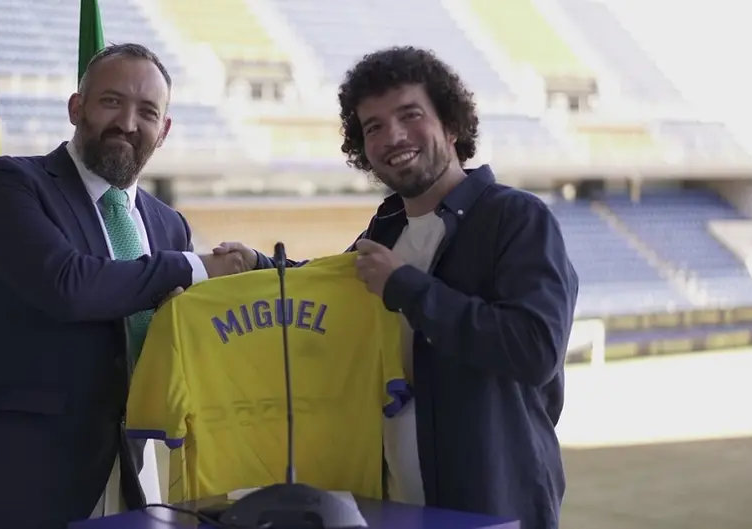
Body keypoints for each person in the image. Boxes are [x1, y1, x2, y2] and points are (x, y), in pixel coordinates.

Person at [215, 46, 578, 529]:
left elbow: (536, 349)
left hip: (493, 505)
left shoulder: (516, 217)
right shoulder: (386, 227)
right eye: (374, 127)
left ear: (451, 125)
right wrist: (261, 265)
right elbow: (336, 287)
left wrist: (408, 288)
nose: (394, 136)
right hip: (396, 505)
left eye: (410, 115)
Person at [0, 43, 250, 529]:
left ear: (163, 132)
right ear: (76, 108)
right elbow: (67, 285)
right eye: (111, 101)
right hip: (21, 486)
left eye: (147, 111)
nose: (127, 121)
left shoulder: (169, 225)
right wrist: (193, 266)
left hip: (136, 475)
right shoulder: (8, 184)